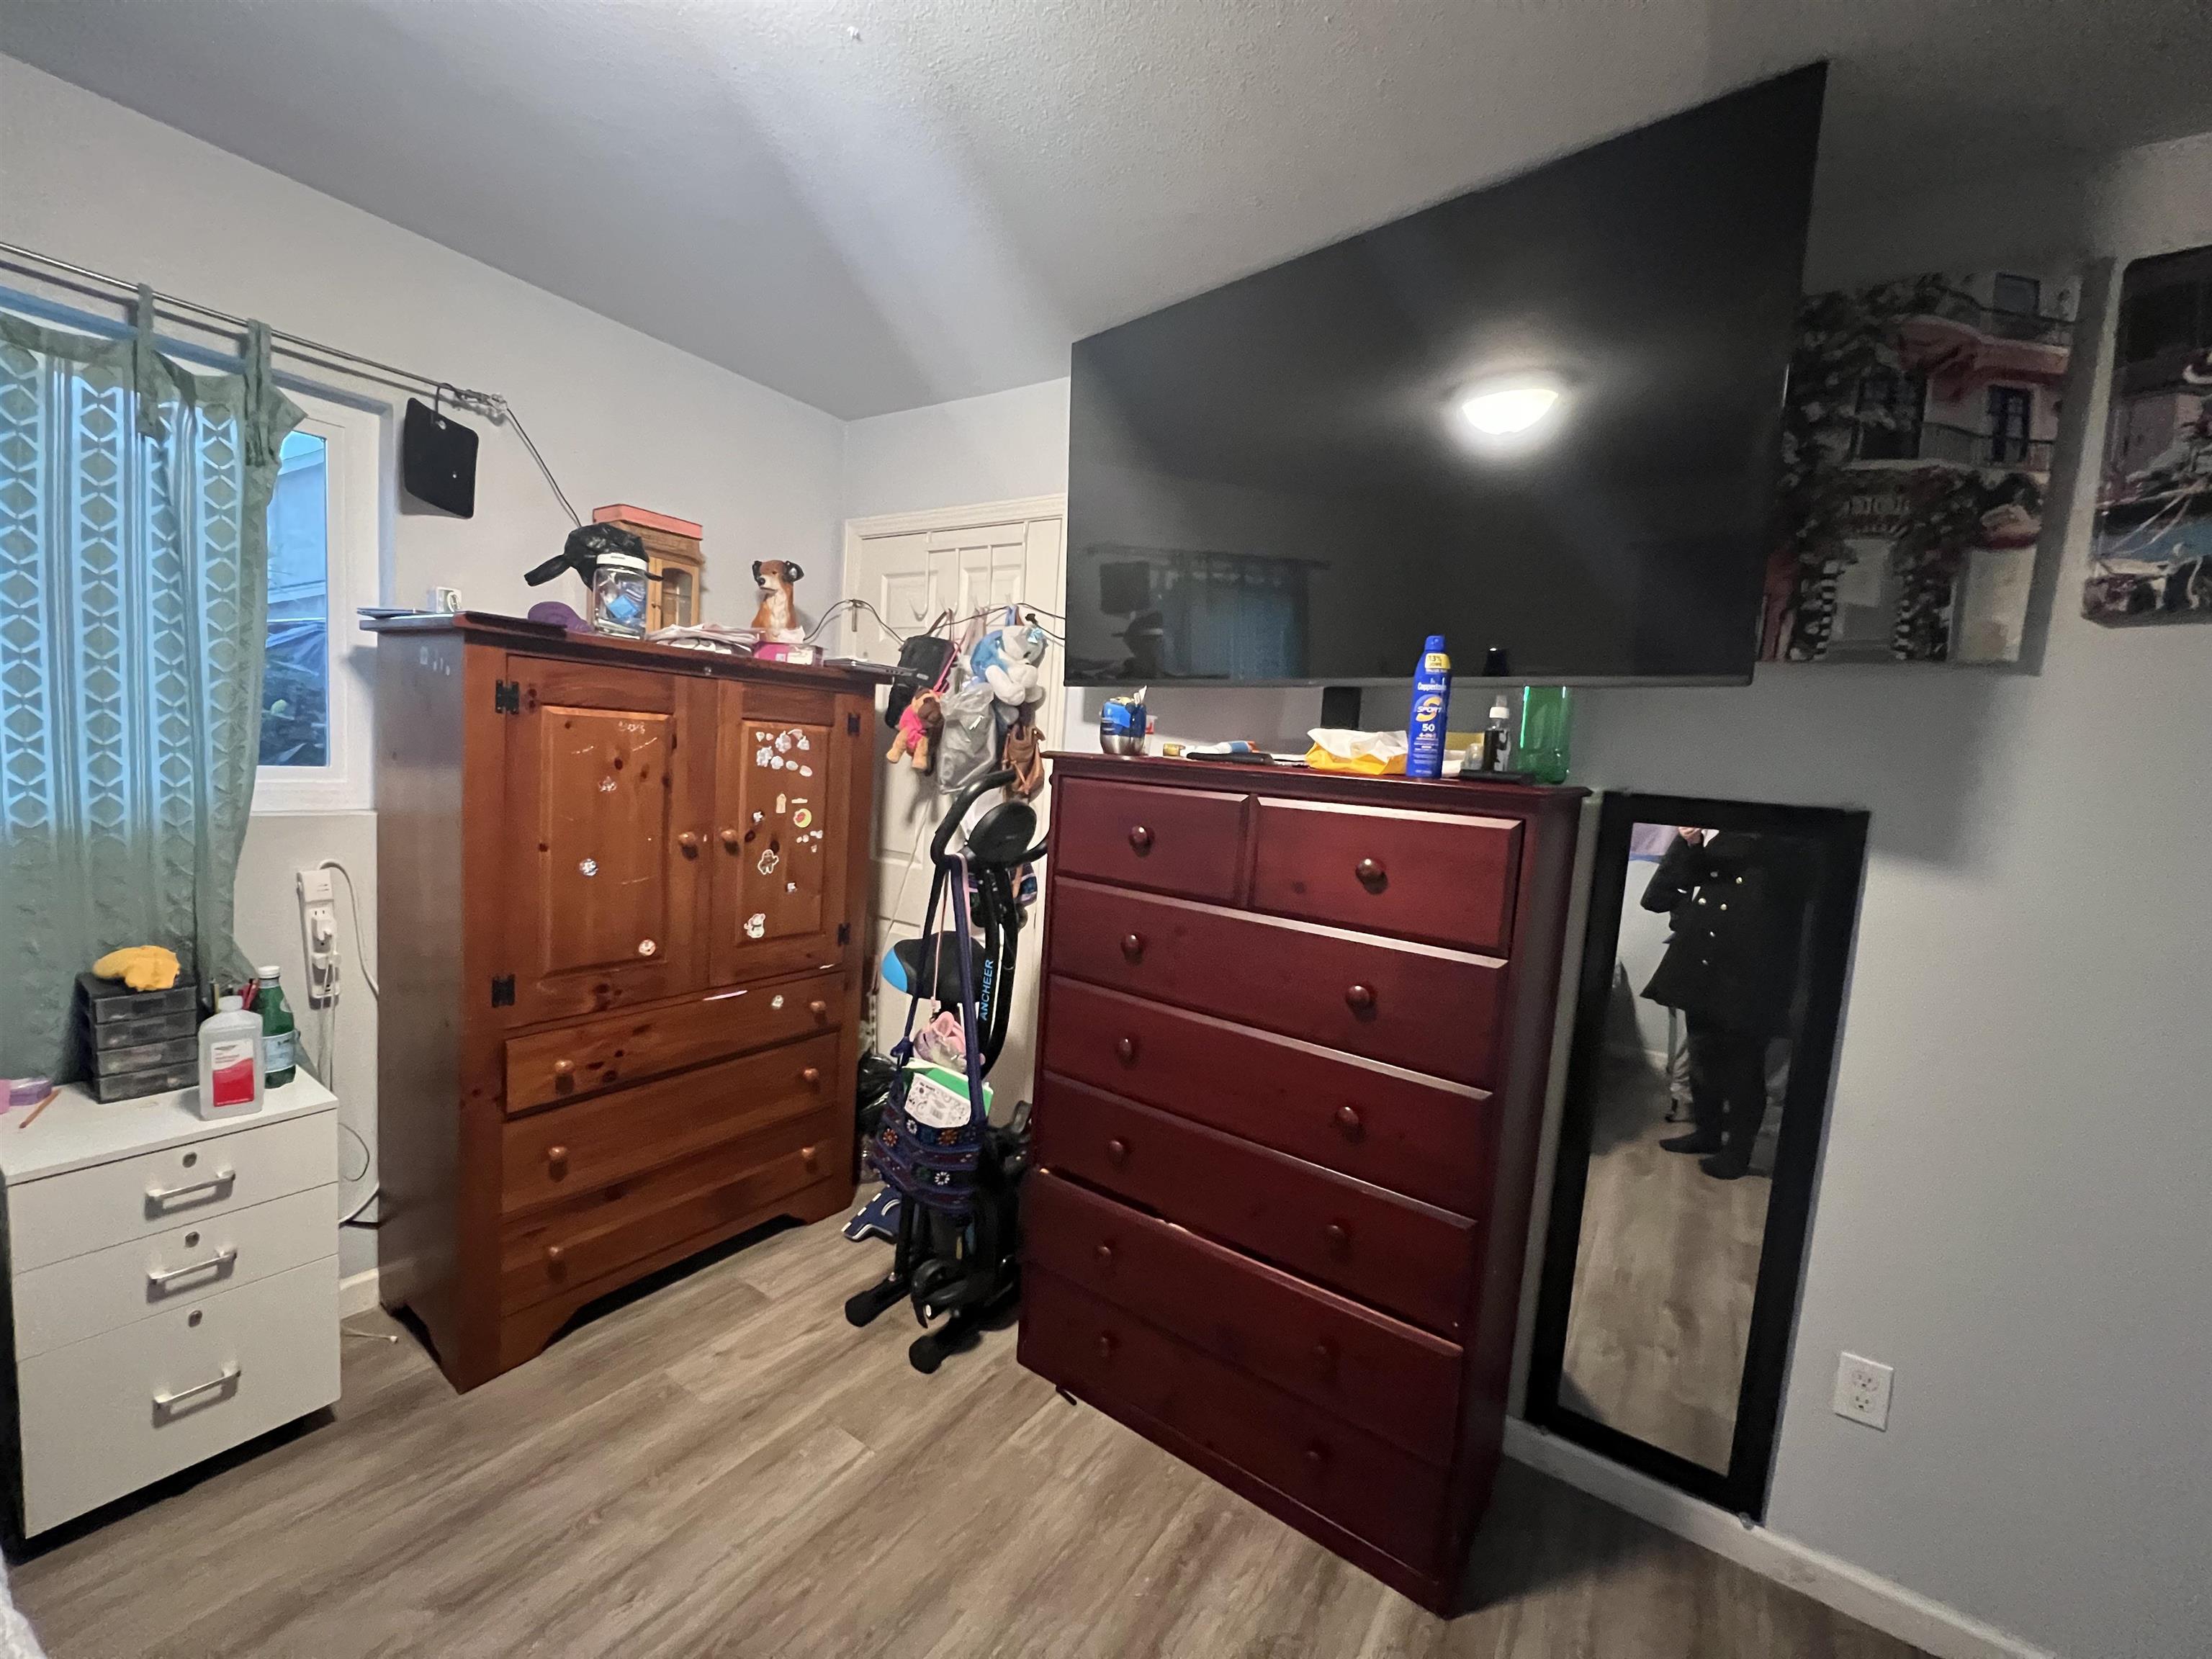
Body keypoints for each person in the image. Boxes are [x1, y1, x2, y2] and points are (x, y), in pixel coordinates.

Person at [1638, 827, 1812, 1179]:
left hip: (1751, 972)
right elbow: (1657, 898)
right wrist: (1689, 845)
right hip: (1700, 961)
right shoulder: (1703, 836)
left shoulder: (1785, 843)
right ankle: (1707, 1133)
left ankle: (1738, 1154)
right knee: (1702, 1055)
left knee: (1743, 1066)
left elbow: (1789, 891)